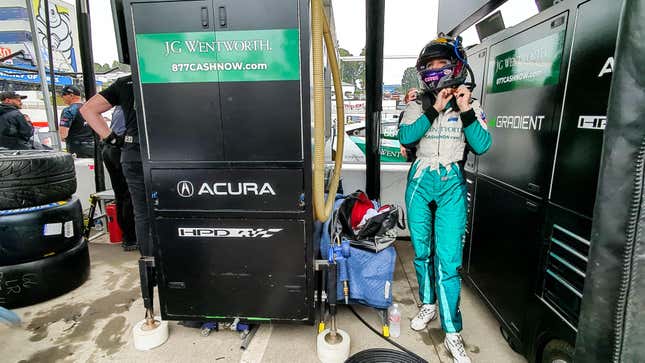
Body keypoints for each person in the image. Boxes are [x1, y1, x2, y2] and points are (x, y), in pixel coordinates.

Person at [399, 35, 492, 363]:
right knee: (422, 252)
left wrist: (464, 109)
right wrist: (435, 107)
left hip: (452, 183)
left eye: (443, 64)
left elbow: (482, 145)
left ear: (457, 66)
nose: (436, 70)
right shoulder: (416, 104)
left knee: (449, 261)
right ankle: (428, 305)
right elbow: (406, 136)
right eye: (430, 66)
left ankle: (452, 332)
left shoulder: (471, 104)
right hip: (420, 183)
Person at [80, 76, 148, 255]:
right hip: (160, 152)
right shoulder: (175, 74)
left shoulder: (126, 82)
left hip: (131, 152)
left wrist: (111, 139)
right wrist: (113, 139)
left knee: (137, 208)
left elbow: (88, 109)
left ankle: (147, 260)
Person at [102, 106, 137, 251]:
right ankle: (131, 238)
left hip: (110, 148)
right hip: (121, 149)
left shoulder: (120, 104)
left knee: (121, 196)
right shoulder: (132, 101)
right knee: (129, 195)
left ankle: (127, 238)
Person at [59, 85, 95, 158]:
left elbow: (63, 134)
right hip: (93, 147)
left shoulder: (69, 110)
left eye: (63, 95)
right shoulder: (90, 108)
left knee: (79, 169)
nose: (62, 97)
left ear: (71, 95)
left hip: (77, 148)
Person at [398, 88, 418, 162]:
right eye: (412, 96)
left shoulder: (424, 113)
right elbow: (401, 131)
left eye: (417, 96)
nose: (415, 98)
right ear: (407, 100)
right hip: (411, 151)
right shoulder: (403, 114)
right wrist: (402, 146)